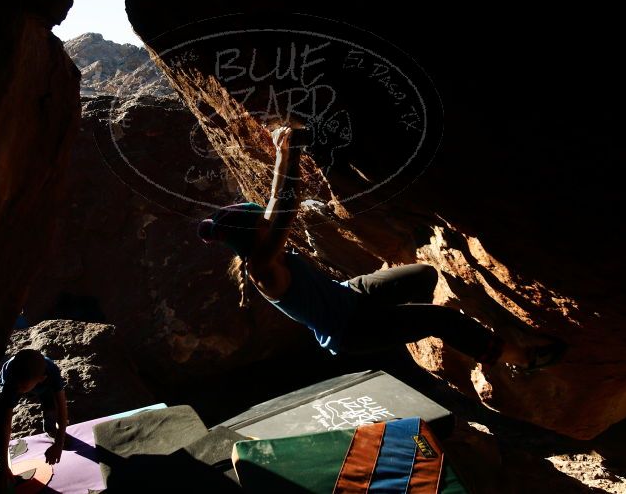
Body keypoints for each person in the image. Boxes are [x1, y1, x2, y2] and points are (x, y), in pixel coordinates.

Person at [197, 124, 566, 371]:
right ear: (254, 236)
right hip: (349, 329)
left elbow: (279, 196)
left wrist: (281, 149)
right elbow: (287, 206)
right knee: (443, 320)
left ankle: (407, 324)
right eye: (262, 220)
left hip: (348, 296)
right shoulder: (262, 268)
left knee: (425, 274)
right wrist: (291, 148)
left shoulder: (260, 242)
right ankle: (521, 358)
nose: (268, 217)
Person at [0, 349, 68, 484]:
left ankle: (50, 428)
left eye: (22, 386)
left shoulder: (52, 372)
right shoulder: (12, 382)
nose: (19, 389)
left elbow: (62, 407)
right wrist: (3, 464)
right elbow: (6, 423)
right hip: (12, 380)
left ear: (42, 378)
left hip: (42, 385)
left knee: (51, 406)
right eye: (18, 385)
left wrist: (59, 444)